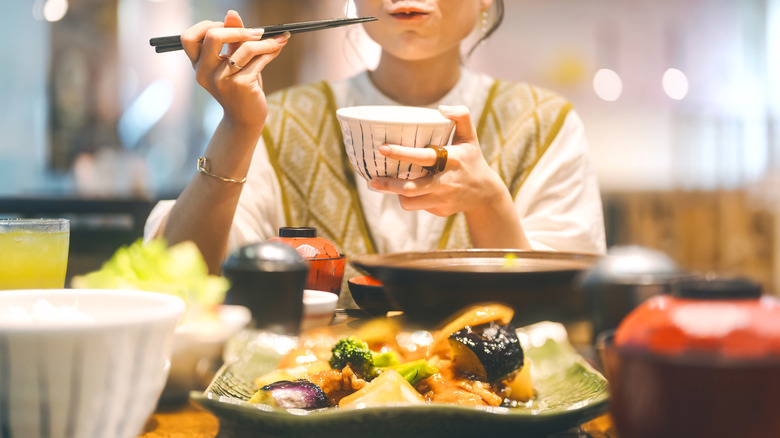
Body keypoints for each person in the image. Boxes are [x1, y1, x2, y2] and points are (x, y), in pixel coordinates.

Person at [144, 0, 606, 308]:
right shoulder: (281, 120)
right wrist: (238, 127)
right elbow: (181, 285)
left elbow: (565, 319)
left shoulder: (543, 126)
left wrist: (490, 204)